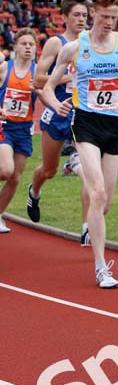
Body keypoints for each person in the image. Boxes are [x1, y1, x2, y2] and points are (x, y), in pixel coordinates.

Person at [40, 0, 118, 288]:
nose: (110, 21)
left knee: (105, 202)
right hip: (85, 123)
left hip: (115, 124)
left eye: (114, 16)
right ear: (94, 13)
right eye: (105, 16)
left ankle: (82, 173)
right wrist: (53, 101)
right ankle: (101, 267)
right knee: (97, 193)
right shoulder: (74, 47)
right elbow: (47, 84)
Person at [27, 0, 91, 243]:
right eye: (76, 14)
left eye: (84, 15)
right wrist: (65, 77)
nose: (81, 19)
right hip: (57, 110)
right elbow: (39, 79)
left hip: (82, 113)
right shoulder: (56, 43)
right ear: (64, 17)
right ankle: (34, 191)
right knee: (49, 169)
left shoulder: (91, 43)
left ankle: (87, 227)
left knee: (89, 172)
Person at [0, 29, 38, 233]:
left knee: (15, 177)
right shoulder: (5, 68)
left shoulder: (38, 72)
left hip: (24, 129)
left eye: (31, 44)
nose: (27, 48)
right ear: (15, 47)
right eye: (23, 44)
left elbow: (49, 90)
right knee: (5, 170)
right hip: (4, 127)